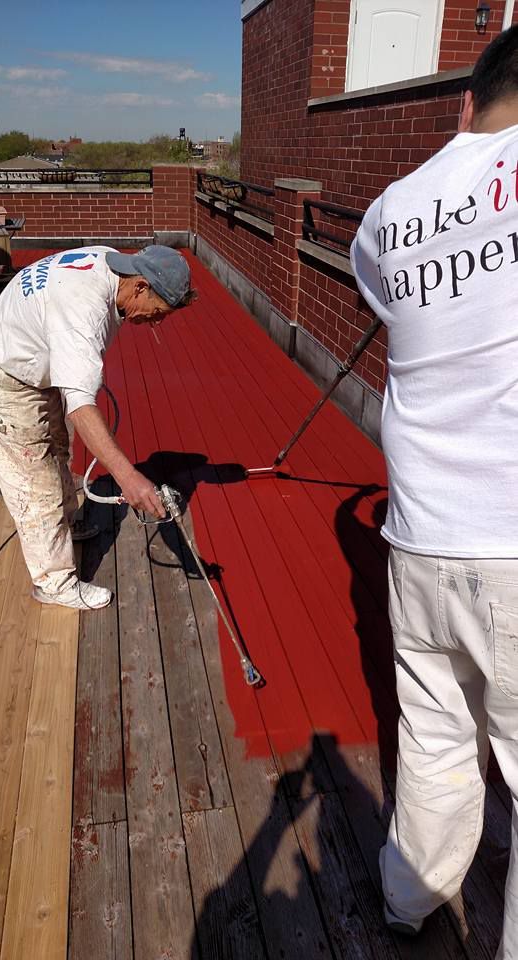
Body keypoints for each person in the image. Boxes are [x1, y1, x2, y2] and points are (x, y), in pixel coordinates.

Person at [350, 26, 518, 958]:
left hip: (419, 533)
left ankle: (407, 901)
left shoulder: (392, 209)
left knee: (436, 736)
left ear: (467, 103)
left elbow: (390, 302)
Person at [0, 244, 196, 610]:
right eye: (157, 312)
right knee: (37, 484)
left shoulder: (109, 262)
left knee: (57, 452)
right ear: (140, 286)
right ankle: (54, 582)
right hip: (5, 376)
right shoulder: (85, 311)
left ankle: (65, 525)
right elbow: (80, 410)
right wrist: (130, 479)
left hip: (32, 364)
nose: (154, 322)